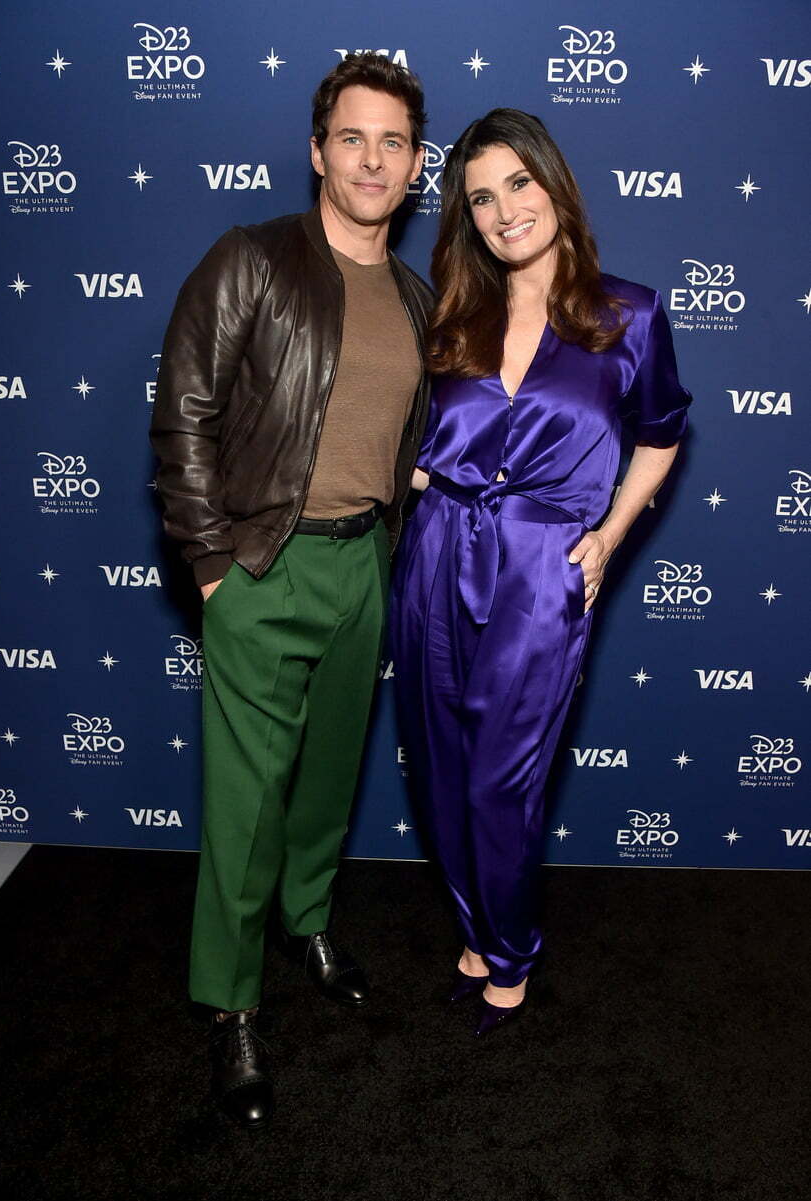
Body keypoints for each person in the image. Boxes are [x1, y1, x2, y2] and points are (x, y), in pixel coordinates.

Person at [150, 53, 431, 1126]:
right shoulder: (252, 260)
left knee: (326, 778)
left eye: (392, 142)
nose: (371, 158)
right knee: (243, 801)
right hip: (262, 562)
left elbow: (395, 437)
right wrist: (213, 568)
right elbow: (183, 413)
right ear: (319, 150)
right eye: (351, 137)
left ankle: (306, 920)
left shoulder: (410, 294)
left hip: (365, 563)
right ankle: (228, 1006)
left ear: (414, 168)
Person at [392, 109, 691, 1037]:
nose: (503, 210)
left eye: (518, 183)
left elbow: (664, 433)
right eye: (480, 197)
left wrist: (607, 536)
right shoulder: (453, 307)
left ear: (554, 184)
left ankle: (511, 956)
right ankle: (478, 932)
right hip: (437, 547)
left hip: (540, 566)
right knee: (440, 765)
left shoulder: (628, 312)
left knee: (500, 777)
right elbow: (411, 439)